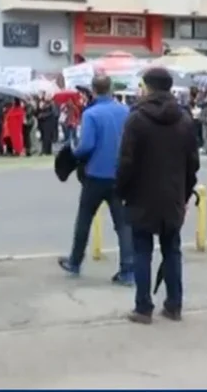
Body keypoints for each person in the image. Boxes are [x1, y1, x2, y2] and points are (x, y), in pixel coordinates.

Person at [115, 68, 200, 324]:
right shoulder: (184, 120)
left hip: (141, 196)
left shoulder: (136, 119)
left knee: (142, 251)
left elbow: (126, 162)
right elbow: (193, 164)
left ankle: (143, 307)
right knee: (172, 250)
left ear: (148, 87)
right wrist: (185, 193)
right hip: (173, 195)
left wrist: (122, 190)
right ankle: (174, 305)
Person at [57, 73, 134, 285]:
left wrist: (73, 151)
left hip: (95, 175)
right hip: (119, 174)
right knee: (123, 224)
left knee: (85, 219)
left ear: (93, 90)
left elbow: (86, 146)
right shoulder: (125, 111)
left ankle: (75, 261)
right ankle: (128, 269)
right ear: (111, 89)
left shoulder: (91, 114)